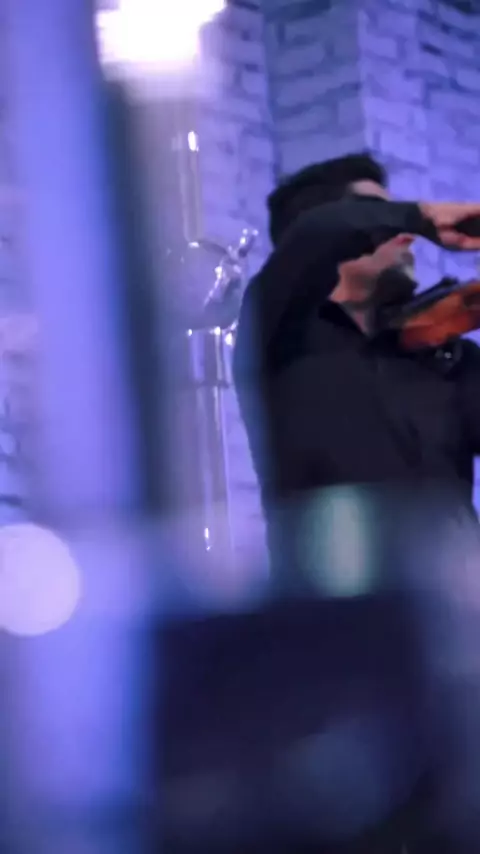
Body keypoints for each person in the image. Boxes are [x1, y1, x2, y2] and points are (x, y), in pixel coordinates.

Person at [231, 153, 480, 852]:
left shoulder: (440, 358)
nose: (404, 236)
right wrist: (420, 215)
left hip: (459, 652)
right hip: (338, 665)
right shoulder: (281, 333)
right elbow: (322, 233)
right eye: (378, 215)